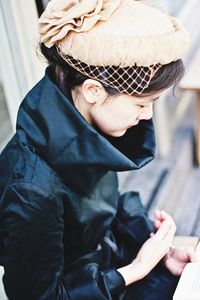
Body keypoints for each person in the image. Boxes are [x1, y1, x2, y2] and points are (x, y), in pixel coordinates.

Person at [0, 0, 195, 299]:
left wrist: (158, 252)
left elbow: (93, 211)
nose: (147, 116)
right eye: (141, 104)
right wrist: (137, 269)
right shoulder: (31, 190)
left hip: (104, 269)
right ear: (93, 90)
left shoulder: (80, 123)